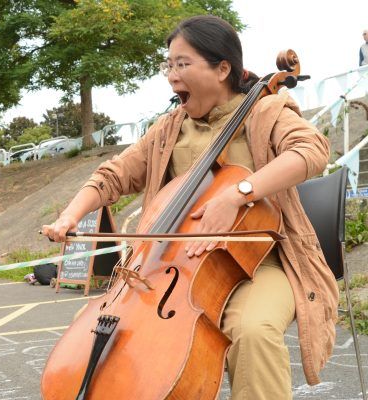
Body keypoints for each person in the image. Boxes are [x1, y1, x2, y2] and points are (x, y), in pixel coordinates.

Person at [42, 15, 338, 400]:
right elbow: (112, 175)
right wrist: (70, 214)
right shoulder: (170, 127)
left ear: (222, 69)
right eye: (169, 65)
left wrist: (238, 194)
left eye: (182, 64)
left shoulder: (265, 112)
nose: (171, 75)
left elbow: (311, 150)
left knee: (253, 331)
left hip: (260, 263)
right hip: (172, 269)